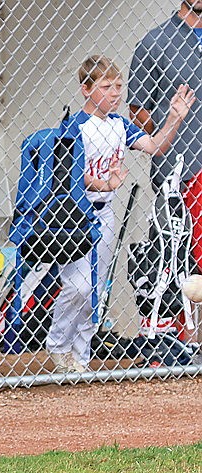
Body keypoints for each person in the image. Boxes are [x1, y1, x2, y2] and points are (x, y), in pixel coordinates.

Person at [46, 56, 194, 373]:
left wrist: (174, 118)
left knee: (94, 288)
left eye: (118, 86)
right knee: (78, 286)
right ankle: (58, 344)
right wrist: (101, 182)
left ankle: (79, 358)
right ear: (85, 89)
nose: (115, 93)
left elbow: (155, 145)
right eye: (105, 87)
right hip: (75, 216)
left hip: (105, 213)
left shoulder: (119, 124)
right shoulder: (75, 126)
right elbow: (68, 173)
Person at [129, 2, 202, 275]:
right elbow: (138, 111)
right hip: (178, 177)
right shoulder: (154, 42)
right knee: (179, 270)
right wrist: (167, 135)